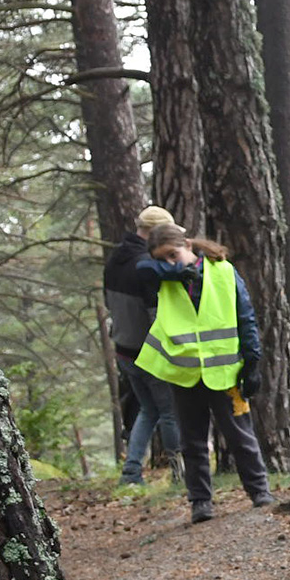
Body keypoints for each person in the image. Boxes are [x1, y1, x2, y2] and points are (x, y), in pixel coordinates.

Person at [134, 223, 274, 521]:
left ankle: (260, 491)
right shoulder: (163, 277)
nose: (171, 262)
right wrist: (172, 270)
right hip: (185, 375)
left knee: (240, 436)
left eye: (174, 254)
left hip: (226, 373)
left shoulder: (223, 271)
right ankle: (200, 502)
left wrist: (252, 364)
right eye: (163, 259)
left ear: (188, 244)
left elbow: (245, 317)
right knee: (193, 441)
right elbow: (140, 271)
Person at [104, 205, 184, 485]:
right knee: (170, 412)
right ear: (157, 233)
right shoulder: (145, 266)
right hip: (148, 353)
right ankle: (180, 474)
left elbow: (108, 303)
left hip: (124, 350)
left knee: (149, 410)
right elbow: (156, 314)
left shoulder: (115, 259)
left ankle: (131, 472)